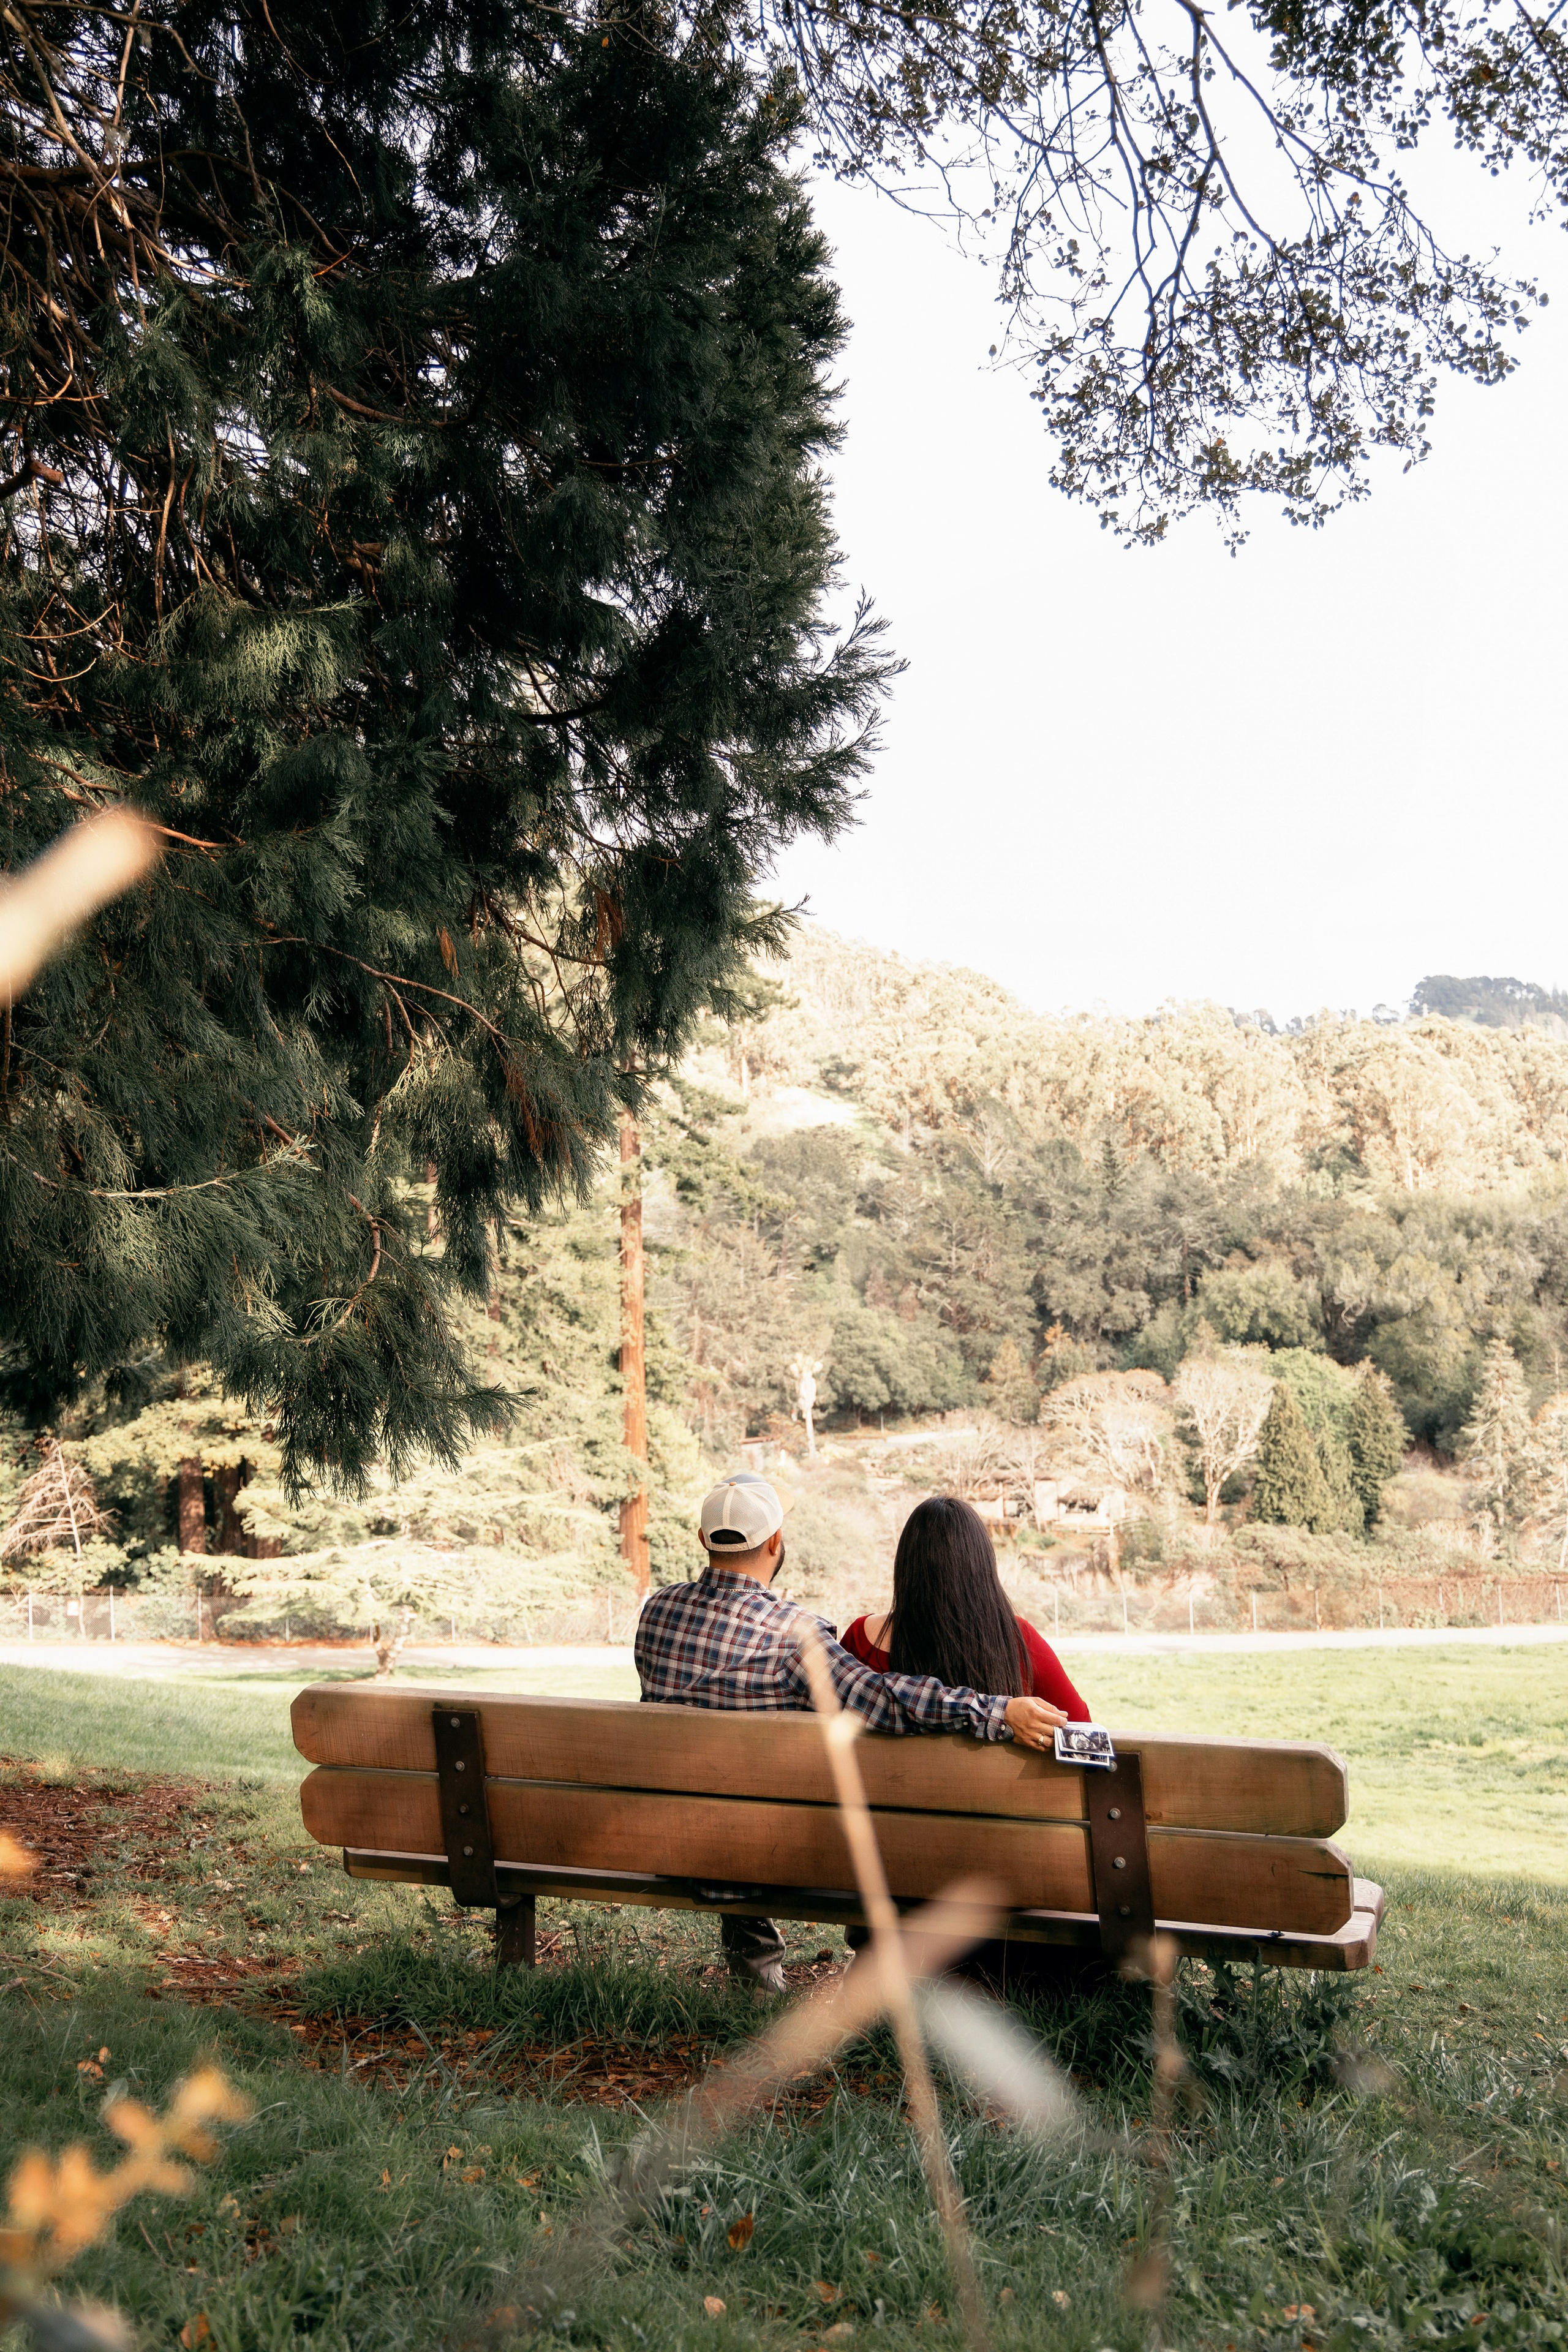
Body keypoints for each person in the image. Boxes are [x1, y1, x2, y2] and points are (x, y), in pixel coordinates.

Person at [635, 1472, 1069, 1992]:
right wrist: (998, 1711)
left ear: (704, 1541)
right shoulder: (794, 1635)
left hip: (663, 1842)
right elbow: (883, 1700)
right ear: (776, 1542)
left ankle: (754, 1975)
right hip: (758, 1854)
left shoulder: (655, 1613)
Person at [841, 1494, 1088, 1720]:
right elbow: (1079, 1722)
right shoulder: (1017, 1638)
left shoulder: (861, 1637)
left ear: (907, 1566)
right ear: (982, 1565)